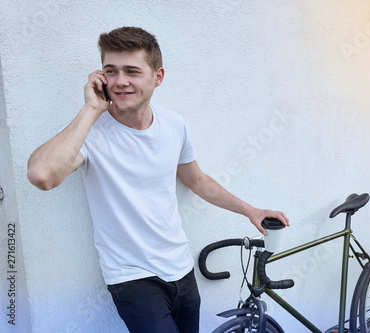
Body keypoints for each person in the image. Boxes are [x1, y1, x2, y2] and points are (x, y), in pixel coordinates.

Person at [27, 26, 288, 333]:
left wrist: (250, 210)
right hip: (132, 279)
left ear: (157, 77)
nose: (120, 81)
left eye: (132, 71)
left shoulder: (174, 124)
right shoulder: (88, 132)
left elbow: (197, 180)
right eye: (111, 71)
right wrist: (91, 109)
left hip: (182, 269)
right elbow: (42, 175)